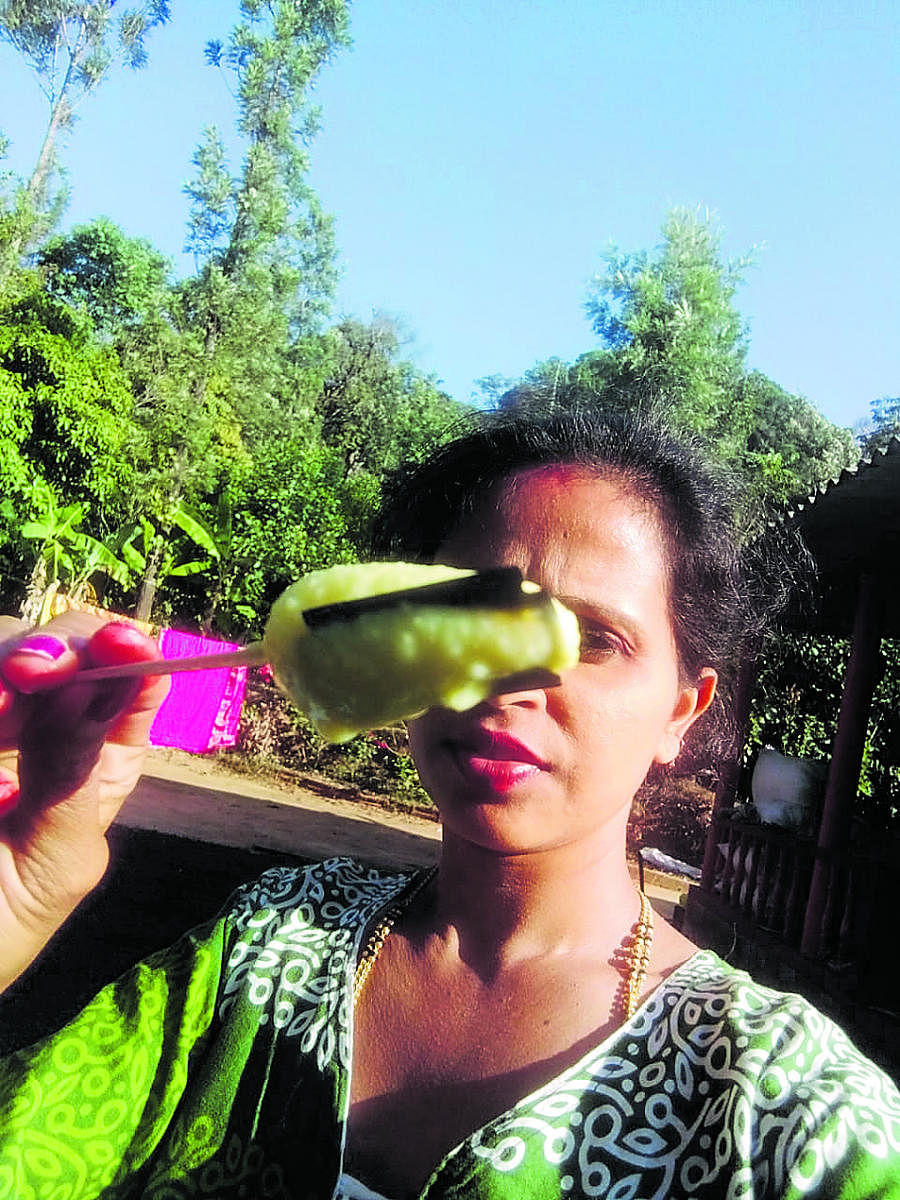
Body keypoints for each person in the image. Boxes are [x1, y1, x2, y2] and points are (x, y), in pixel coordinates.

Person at [0, 406, 898, 1200]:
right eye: (469, 610)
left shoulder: (790, 1112)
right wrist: (21, 892)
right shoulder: (267, 945)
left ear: (678, 712)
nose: (508, 680)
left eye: (594, 638)